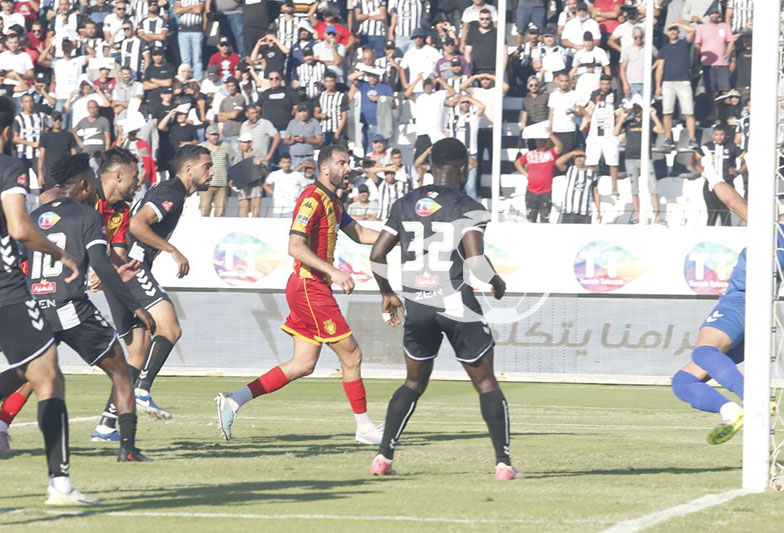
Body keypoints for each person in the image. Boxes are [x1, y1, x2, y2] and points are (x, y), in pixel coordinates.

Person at [215, 144, 384, 446]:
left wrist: (396, 236)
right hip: (310, 286)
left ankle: (234, 399)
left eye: (348, 163)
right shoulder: (312, 198)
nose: (347, 169)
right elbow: (295, 246)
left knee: (303, 363)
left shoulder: (332, 202)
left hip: (310, 287)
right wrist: (333, 271)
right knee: (352, 354)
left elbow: (358, 233)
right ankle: (365, 427)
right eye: (342, 163)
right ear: (324, 168)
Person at [367, 137, 515, 480]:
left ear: (429, 166)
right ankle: (503, 464)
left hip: (417, 304)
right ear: (462, 167)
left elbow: (376, 255)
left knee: (413, 382)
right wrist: (497, 282)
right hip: (454, 303)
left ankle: (383, 456)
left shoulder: (405, 203)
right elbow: (476, 262)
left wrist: (387, 293)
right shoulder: (469, 206)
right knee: (486, 383)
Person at [12, 153, 154, 463]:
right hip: (71, 308)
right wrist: (135, 307)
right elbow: (102, 266)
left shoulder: (36, 215)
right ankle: (127, 448)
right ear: (86, 184)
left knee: (20, 375)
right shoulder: (88, 216)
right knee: (121, 372)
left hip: (37, 305)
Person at [670, 186, 784, 445]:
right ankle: (730, 412)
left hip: (740, 303)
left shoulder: (776, 232)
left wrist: (712, 175)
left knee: (703, 352)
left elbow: (732, 202)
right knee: (683, 382)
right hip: (759, 314)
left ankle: (754, 398)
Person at [0, 95, 96, 504]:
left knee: (33, 371)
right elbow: (21, 229)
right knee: (47, 376)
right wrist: (61, 254)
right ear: (7, 131)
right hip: (6, 292)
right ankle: (60, 484)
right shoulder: (9, 167)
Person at [126, 145, 213, 420]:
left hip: (129, 269)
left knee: (138, 353)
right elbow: (136, 225)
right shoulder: (172, 191)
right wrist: (172, 250)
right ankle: (141, 391)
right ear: (189, 170)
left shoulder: (173, 193)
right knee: (170, 328)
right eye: (207, 167)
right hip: (134, 268)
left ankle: (107, 424)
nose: (212, 172)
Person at [615, 95, 665, 224]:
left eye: (639, 109)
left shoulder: (648, 122)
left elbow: (661, 130)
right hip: (630, 158)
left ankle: (657, 216)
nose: (637, 112)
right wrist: (623, 117)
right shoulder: (629, 123)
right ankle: (637, 216)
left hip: (645, 158)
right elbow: (615, 132)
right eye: (635, 109)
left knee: (652, 186)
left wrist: (653, 115)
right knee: (634, 188)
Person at [693, 124, 747, 226]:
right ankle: (709, 238)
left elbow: (747, 160)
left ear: (725, 135)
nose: (719, 137)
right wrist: (702, 171)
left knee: (725, 213)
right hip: (710, 185)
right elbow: (693, 160)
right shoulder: (707, 147)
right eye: (716, 134)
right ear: (713, 135)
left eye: (721, 134)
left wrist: (738, 172)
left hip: (727, 184)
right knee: (711, 213)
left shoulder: (732, 147)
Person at [656, 22, 698, 151]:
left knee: (689, 112)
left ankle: (692, 139)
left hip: (683, 81)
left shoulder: (684, 44)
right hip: (668, 83)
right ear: (667, 33)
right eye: (670, 30)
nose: (673, 32)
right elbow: (660, 68)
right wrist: (658, 85)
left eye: (675, 30)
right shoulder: (664, 49)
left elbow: (692, 31)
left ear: (678, 32)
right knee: (667, 112)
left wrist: (677, 23)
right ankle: (669, 139)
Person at [515, 132, 563, 223]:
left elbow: (559, 146)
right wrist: (526, 174)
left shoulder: (550, 154)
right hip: (531, 191)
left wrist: (551, 135)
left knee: (545, 218)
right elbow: (518, 163)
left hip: (545, 192)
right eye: (540, 141)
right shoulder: (530, 154)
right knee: (530, 219)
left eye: (545, 141)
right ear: (536, 142)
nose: (543, 143)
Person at [555, 149, 600, 224]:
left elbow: (595, 193)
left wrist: (599, 211)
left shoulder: (592, 173)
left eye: (581, 156)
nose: (579, 158)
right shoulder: (570, 169)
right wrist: (571, 153)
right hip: (568, 211)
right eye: (576, 157)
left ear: (585, 158)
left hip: (584, 213)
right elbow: (558, 162)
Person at [38, 112, 78, 191]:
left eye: (60, 119)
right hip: (50, 173)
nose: (58, 122)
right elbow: (41, 156)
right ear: (51, 121)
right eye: (55, 119)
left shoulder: (69, 136)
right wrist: (40, 174)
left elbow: (74, 154)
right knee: (49, 197)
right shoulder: (46, 137)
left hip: (65, 172)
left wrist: (75, 172)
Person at [200, 125, 233, 217]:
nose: (215, 137)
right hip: (205, 183)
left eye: (216, 135)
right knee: (204, 210)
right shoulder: (201, 147)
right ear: (207, 135)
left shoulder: (225, 146)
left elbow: (234, 159)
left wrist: (232, 176)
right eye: (212, 134)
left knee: (220, 212)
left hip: (222, 184)